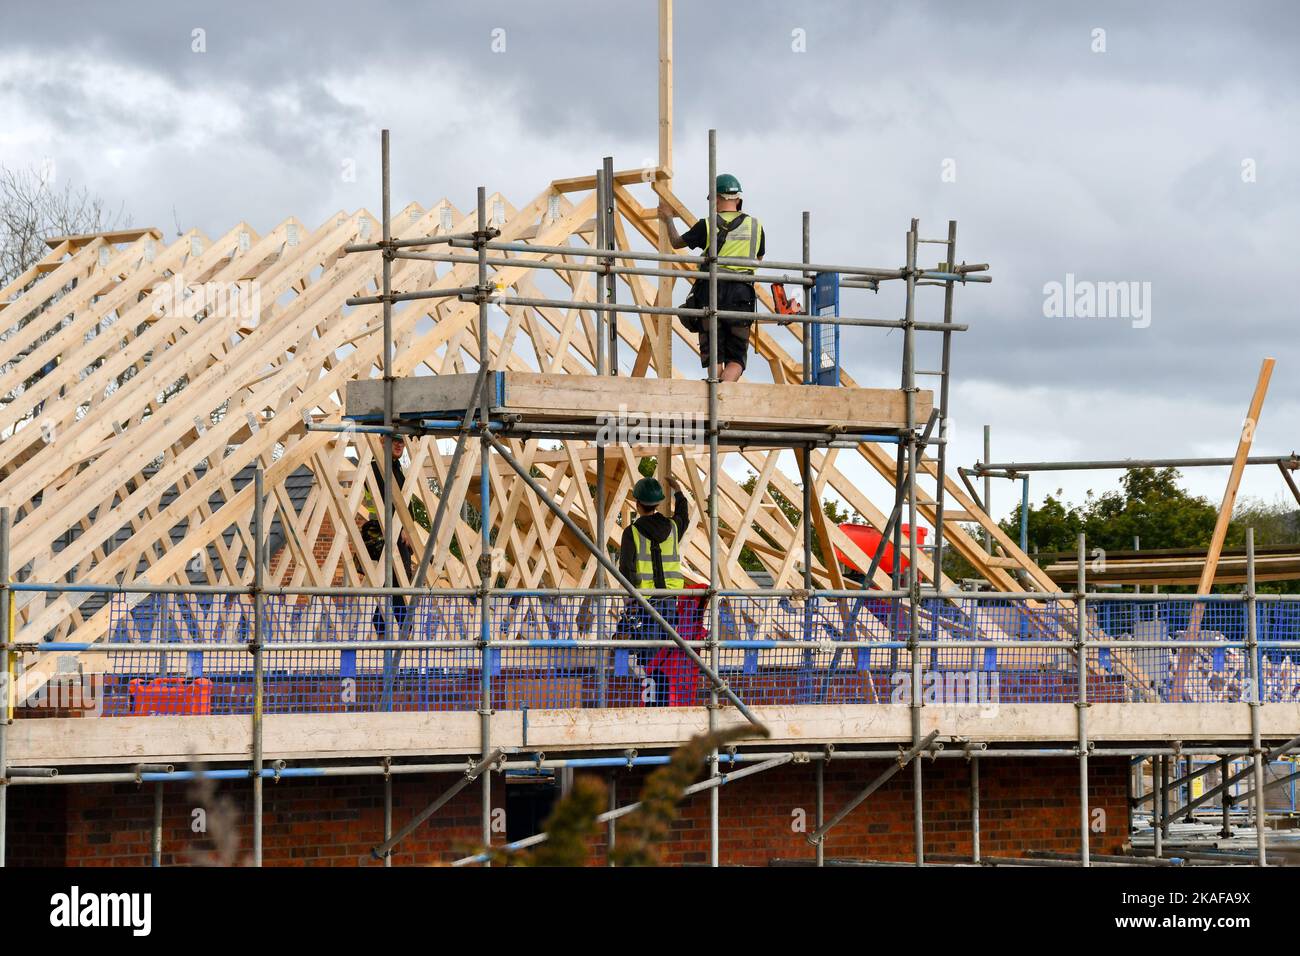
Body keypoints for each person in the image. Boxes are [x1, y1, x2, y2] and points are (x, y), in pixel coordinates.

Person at [657, 173, 765, 382]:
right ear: (737, 198)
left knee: (714, 350)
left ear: (718, 198)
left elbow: (676, 242)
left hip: (712, 290)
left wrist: (668, 217)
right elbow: (758, 257)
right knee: (736, 358)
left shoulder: (707, 225)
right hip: (741, 294)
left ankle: (714, 393)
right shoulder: (756, 226)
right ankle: (722, 397)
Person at [617, 475, 690, 705]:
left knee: (649, 658)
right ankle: (666, 703)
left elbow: (625, 570)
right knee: (667, 655)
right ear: (657, 504)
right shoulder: (673, 527)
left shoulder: (632, 532)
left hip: (646, 603)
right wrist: (678, 491)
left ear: (637, 504)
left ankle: (652, 705)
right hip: (670, 602)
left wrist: (630, 602)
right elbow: (683, 516)